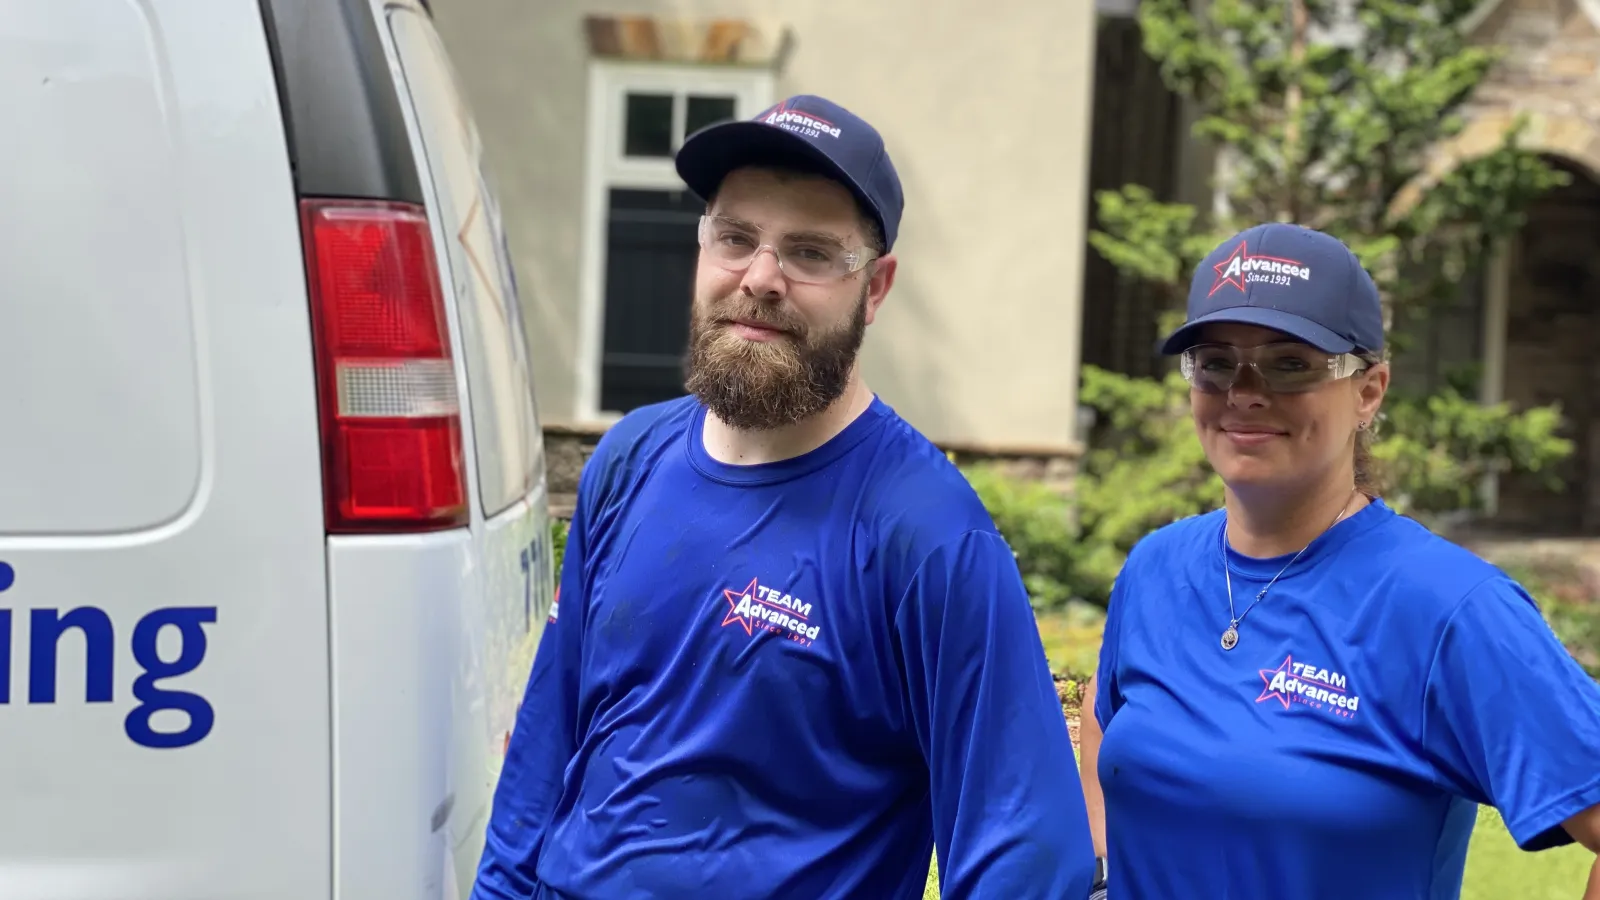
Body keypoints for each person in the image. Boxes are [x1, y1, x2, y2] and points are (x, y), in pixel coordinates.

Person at [470, 94, 1097, 900]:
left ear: (875, 290)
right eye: (736, 238)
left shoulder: (928, 537)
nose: (761, 279)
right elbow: (547, 744)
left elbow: (1028, 855)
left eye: (810, 253)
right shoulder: (630, 461)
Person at [1077, 222, 1600, 898]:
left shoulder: (1446, 608)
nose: (1244, 391)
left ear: (1370, 389)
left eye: (1290, 362)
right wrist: (1100, 872)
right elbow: (1105, 711)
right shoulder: (1157, 567)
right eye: (1214, 361)